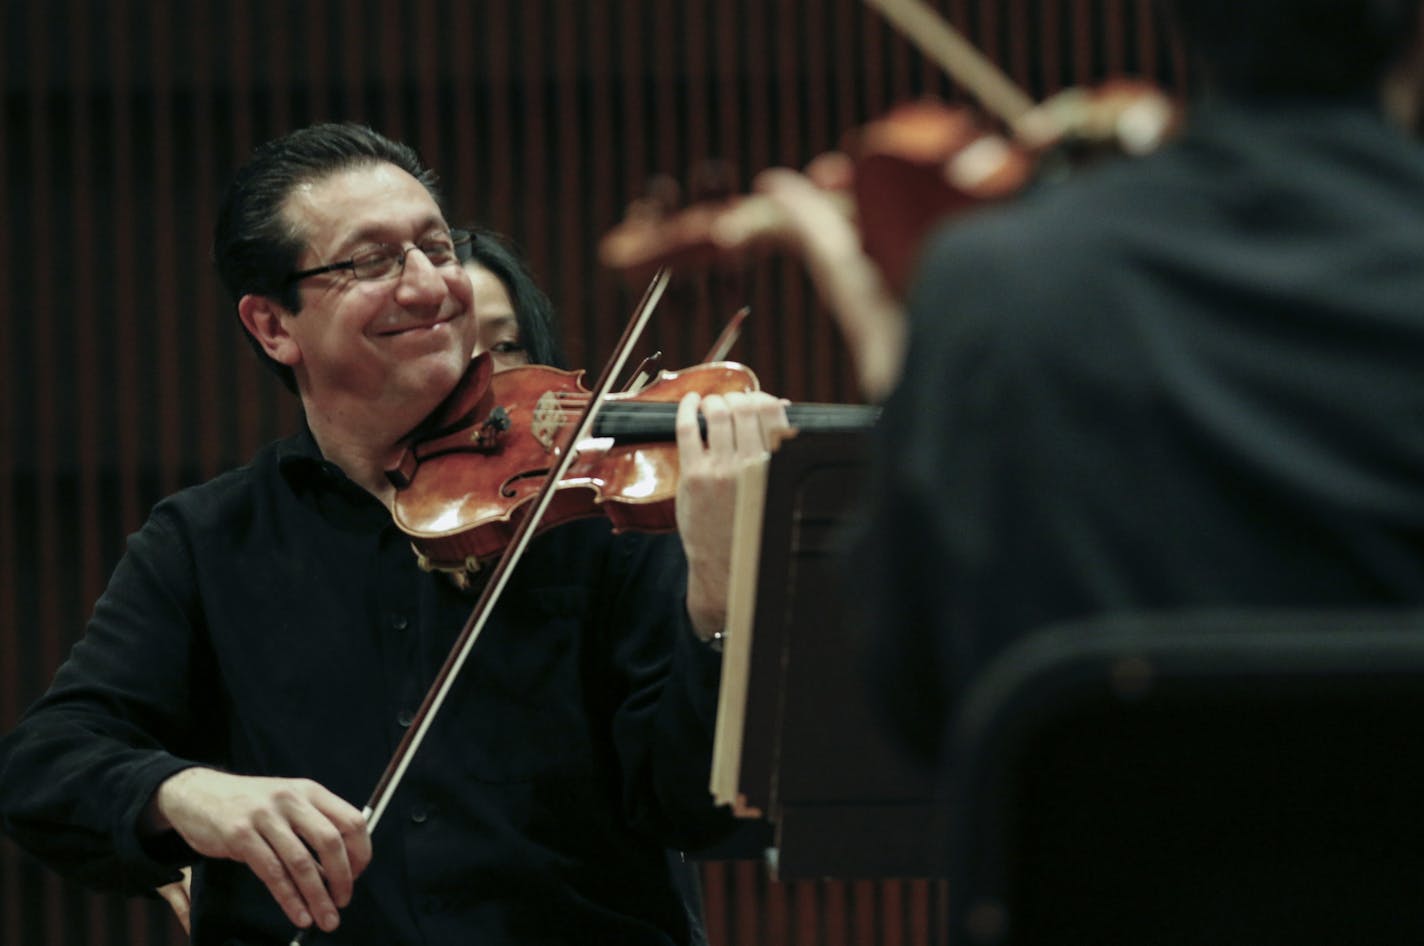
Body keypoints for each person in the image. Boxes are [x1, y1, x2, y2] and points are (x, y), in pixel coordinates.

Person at [0, 122, 789, 945]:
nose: (430, 286)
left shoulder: (589, 504)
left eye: (435, 247)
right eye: (372, 261)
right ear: (273, 326)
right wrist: (189, 794)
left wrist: (719, 594)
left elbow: (701, 811)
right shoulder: (206, 543)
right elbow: (43, 767)